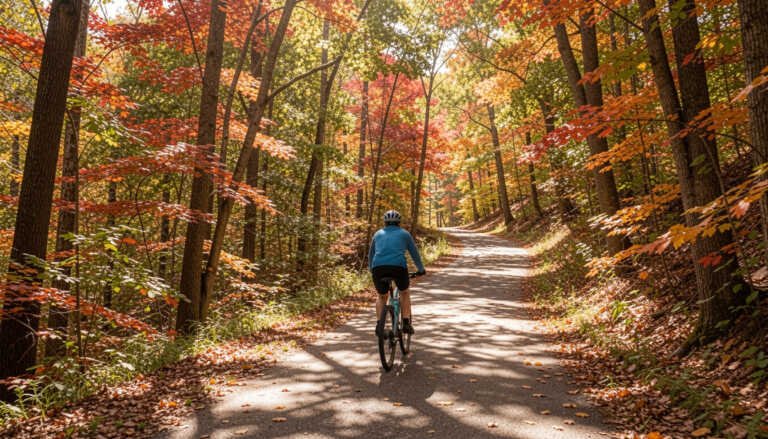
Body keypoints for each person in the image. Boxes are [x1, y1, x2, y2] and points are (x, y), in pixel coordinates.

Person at [368, 210, 425, 337]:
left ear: (385, 222)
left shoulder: (377, 234)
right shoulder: (405, 234)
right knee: (404, 292)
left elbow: (371, 254)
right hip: (398, 267)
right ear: (399, 222)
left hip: (378, 268)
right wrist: (421, 269)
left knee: (381, 296)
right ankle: (405, 323)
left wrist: (371, 269)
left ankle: (379, 325)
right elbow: (414, 253)